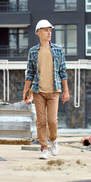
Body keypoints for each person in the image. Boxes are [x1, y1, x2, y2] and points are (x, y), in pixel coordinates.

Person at [23, 19, 70, 159]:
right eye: (45, 30)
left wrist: (66, 91)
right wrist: (26, 91)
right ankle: (44, 148)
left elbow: (63, 71)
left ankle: (54, 140)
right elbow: (30, 72)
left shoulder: (58, 50)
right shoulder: (33, 52)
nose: (49, 33)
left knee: (52, 121)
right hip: (38, 91)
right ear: (38, 33)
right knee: (41, 121)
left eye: (50, 30)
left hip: (54, 91)